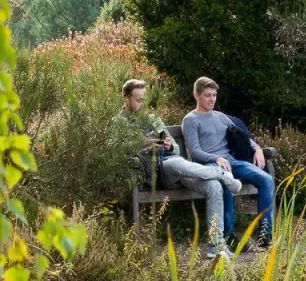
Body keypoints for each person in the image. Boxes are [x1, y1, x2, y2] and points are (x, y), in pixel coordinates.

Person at [117, 79, 241, 260]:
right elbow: (115, 149)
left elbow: (175, 148)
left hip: (173, 165)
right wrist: (143, 145)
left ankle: (216, 246)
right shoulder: (118, 123)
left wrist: (167, 146)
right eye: (138, 100)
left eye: (143, 99)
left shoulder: (152, 119)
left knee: (213, 186)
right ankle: (220, 173)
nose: (142, 103)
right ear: (126, 99)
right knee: (176, 164)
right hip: (155, 172)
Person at [182, 77, 275, 247]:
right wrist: (215, 158)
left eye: (214, 95)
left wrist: (258, 149)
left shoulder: (220, 116)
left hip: (231, 161)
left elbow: (242, 136)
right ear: (196, 95)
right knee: (225, 183)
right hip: (209, 166)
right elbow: (195, 152)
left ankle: (265, 233)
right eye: (207, 95)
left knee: (266, 179)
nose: (212, 99)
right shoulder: (190, 120)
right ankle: (229, 235)